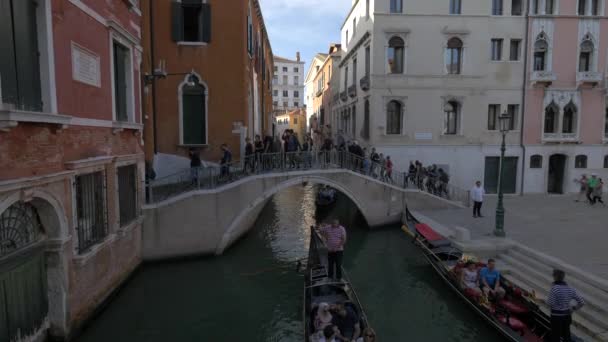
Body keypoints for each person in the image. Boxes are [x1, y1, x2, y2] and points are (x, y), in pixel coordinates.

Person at [548, 269, 585, 342]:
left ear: (555, 277)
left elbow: (550, 303)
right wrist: (573, 308)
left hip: (556, 317)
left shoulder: (555, 288)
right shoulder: (570, 288)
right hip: (567, 316)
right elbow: (582, 302)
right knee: (566, 335)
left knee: (555, 337)